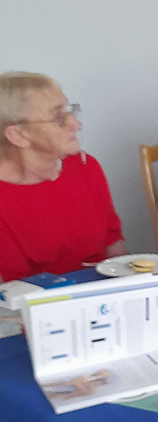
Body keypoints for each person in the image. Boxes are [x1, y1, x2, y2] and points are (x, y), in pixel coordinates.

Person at [0, 72, 126, 282]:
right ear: (18, 135)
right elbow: (12, 290)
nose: (76, 124)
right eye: (58, 118)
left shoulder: (85, 167)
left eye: (70, 111)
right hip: (39, 299)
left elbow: (114, 247)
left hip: (106, 291)